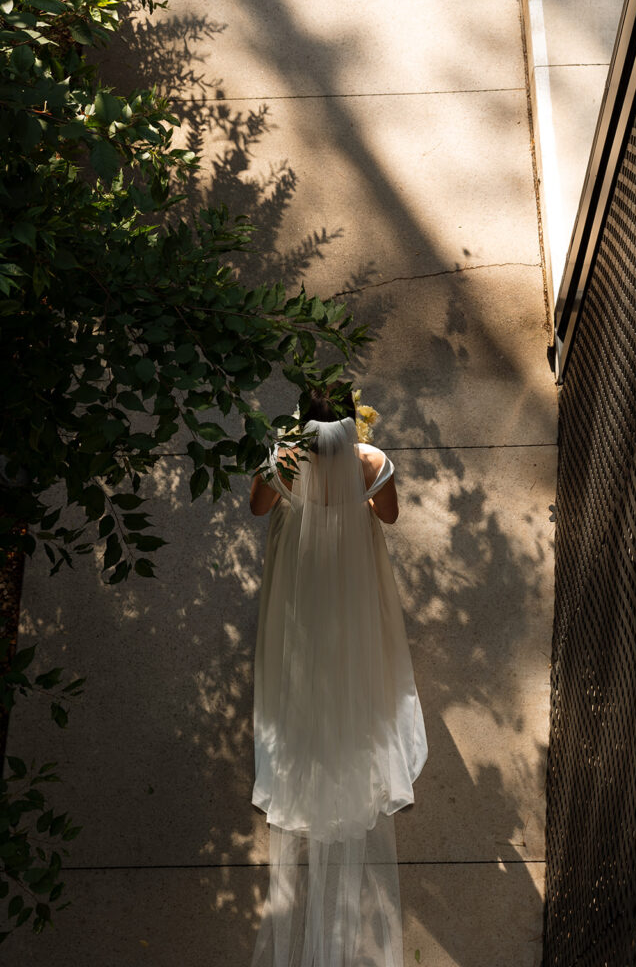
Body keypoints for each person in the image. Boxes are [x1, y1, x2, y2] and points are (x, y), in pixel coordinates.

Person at [248, 386, 428, 967]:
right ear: (351, 425)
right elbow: (390, 514)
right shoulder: (370, 462)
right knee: (352, 639)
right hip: (351, 565)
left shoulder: (284, 459)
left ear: (303, 423)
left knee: (299, 640)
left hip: (302, 570)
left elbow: (258, 508)